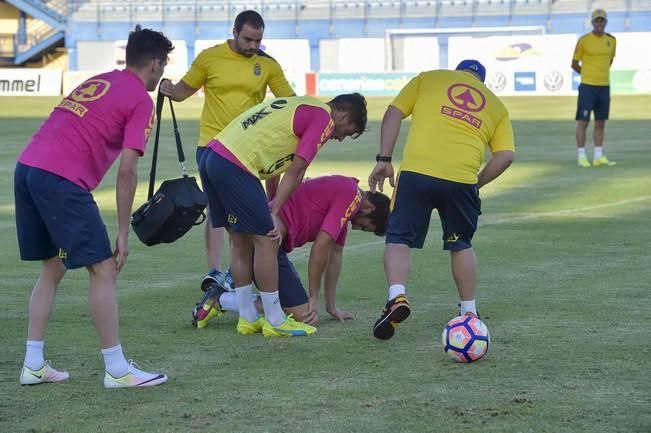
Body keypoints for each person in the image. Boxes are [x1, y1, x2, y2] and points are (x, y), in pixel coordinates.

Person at [14, 26, 174, 388]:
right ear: (154, 64)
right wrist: (122, 232)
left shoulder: (101, 80)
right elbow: (128, 171)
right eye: (162, 66)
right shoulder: (140, 99)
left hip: (27, 169)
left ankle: (33, 363)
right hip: (59, 177)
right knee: (104, 269)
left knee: (52, 267)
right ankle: (117, 370)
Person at [368, 60, 515, 340]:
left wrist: (385, 159)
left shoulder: (429, 78)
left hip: (416, 173)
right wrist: (476, 183)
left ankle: (396, 296)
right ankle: (469, 312)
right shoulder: (496, 105)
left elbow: (393, 113)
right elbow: (505, 156)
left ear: (457, 72)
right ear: (480, 82)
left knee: (398, 238)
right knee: (461, 243)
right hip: (461, 180)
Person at [199, 93, 367, 337]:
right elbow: (298, 168)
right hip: (236, 163)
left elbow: (275, 160)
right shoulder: (324, 119)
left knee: (240, 240)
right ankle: (276, 319)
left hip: (212, 154)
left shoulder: (301, 103)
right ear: (344, 116)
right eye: (347, 131)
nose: (340, 137)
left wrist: (272, 200)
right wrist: (274, 211)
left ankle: (247, 317)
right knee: (267, 239)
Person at [159, 10, 295, 288]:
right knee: (218, 210)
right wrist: (166, 87)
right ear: (234, 32)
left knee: (240, 214)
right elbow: (182, 92)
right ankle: (215, 271)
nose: (253, 46)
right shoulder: (210, 58)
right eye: (248, 39)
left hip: (247, 151)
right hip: (211, 146)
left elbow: (292, 102)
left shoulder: (268, 65)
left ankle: (235, 272)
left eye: (258, 40)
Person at [191, 175, 390, 329]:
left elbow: (335, 256)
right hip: (266, 241)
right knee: (303, 314)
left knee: (296, 307)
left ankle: (230, 291)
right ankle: (222, 299)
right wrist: (313, 298)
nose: (358, 228)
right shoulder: (350, 195)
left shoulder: (346, 202)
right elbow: (320, 247)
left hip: (270, 243)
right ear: (369, 208)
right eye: (365, 226)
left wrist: (331, 306)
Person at [571, 9, 617, 168]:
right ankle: (582, 156)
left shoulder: (611, 41)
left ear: (605, 22)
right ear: (592, 22)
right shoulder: (584, 41)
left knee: (600, 123)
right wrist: (588, 75)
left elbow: (610, 61)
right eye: (596, 21)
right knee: (583, 122)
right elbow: (574, 63)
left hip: (604, 86)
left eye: (602, 20)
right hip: (588, 87)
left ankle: (598, 156)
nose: (599, 23)